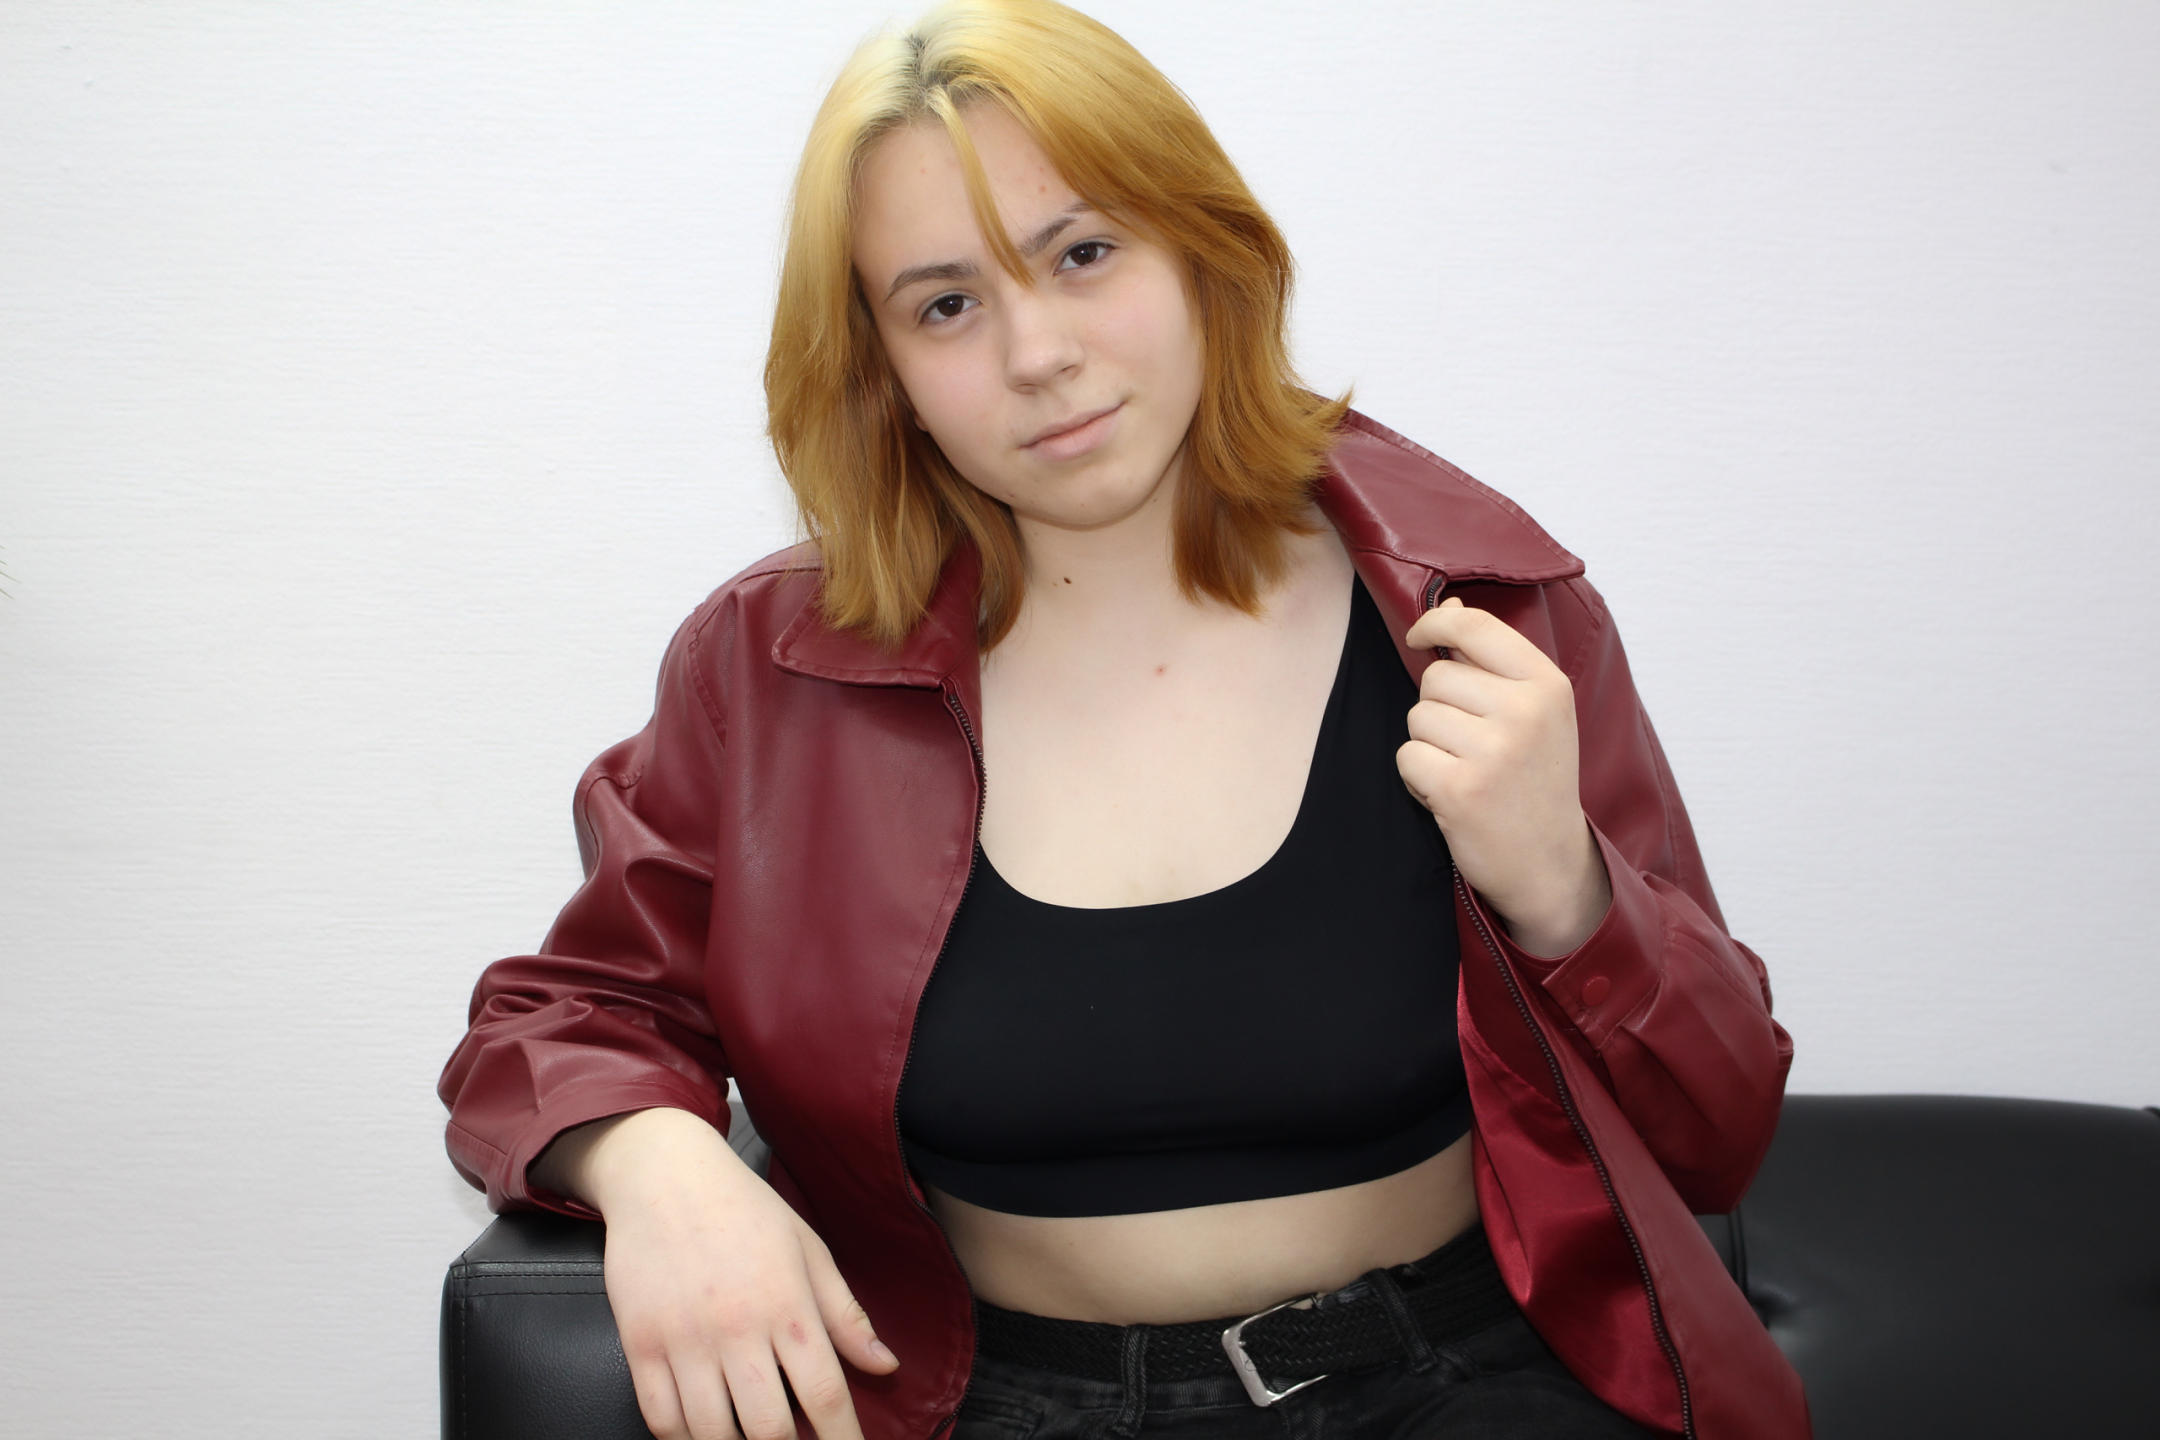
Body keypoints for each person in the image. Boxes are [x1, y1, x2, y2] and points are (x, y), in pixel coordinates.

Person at [438, 3, 1806, 1437]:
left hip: (1465, 1385)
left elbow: (1718, 1136)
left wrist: (1567, 893)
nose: (1038, 353)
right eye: (946, 305)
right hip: (988, 1400)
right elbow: (564, 1018)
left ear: (1203, 250)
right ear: (883, 373)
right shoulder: (771, 671)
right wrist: (659, 1167)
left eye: (1084, 253)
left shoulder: (1482, 608)